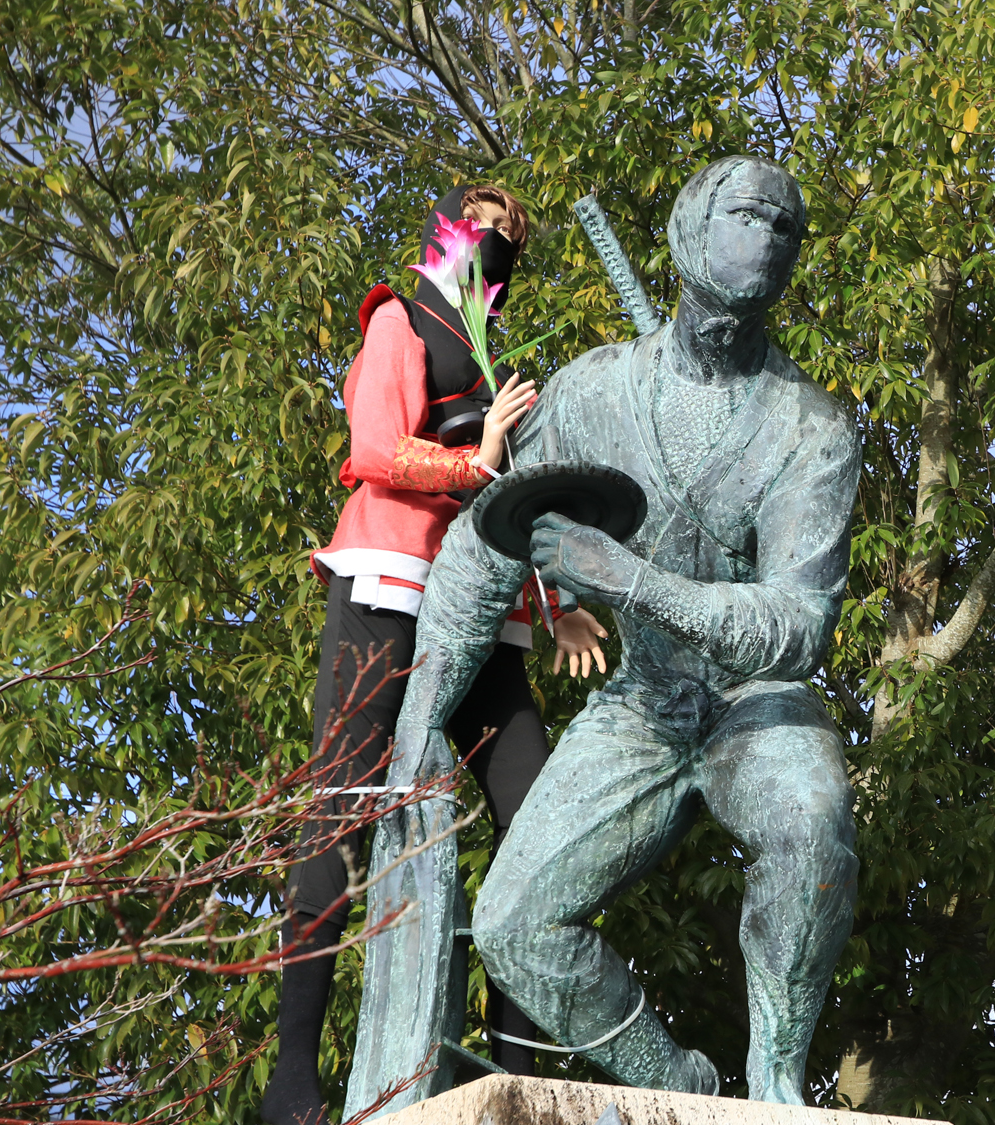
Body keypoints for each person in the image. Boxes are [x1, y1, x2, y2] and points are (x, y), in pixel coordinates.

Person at [380, 156, 859, 1105]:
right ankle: (671, 1081)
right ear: (691, 232)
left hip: (752, 703)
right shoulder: (593, 394)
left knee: (813, 824)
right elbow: (482, 560)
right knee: (515, 924)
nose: (765, 237)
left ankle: (773, 1080)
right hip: (641, 705)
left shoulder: (814, 430)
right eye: (745, 215)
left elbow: (798, 625)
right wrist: (418, 716)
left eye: (785, 226)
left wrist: (633, 579)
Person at [261, 186, 611, 1125]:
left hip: (480, 611)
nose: (503, 238)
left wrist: (556, 602)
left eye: (518, 235)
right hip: (385, 585)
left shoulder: (493, 357)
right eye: (488, 221)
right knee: (340, 810)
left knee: (537, 820)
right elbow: (376, 447)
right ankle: (292, 1079)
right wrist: (479, 453)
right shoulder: (400, 321)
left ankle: (516, 1068)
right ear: (448, 227)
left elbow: (501, 508)